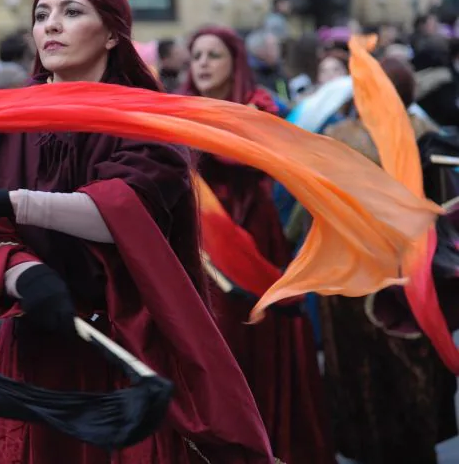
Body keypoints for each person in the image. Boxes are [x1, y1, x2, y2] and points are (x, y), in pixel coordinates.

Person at [0, 0, 274, 463]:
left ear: (113, 32)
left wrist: (13, 201)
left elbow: (121, 210)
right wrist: (24, 274)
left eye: (72, 13)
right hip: (34, 352)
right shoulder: (0, 126)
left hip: (125, 349)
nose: (51, 25)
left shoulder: (146, 121)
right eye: (42, 14)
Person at [179, 26, 335, 464]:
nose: (204, 64)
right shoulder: (177, 109)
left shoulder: (260, 106)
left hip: (252, 234)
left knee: (253, 333)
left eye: (214, 55)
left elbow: (258, 156)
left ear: (235, 62)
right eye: (197, 56)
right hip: (197, 238)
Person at [321, 57, 456, 464]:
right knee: (414, 364)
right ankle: (419, 444)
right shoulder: (426, 131)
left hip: (351, 274)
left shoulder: (338, 136)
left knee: (363, 371)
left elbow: (309, 208)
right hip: (414, 271)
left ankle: (372, 446)